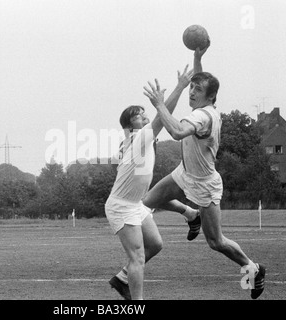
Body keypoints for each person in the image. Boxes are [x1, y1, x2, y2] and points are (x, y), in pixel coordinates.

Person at [142, 44, 266, 299]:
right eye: (191, 88)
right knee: (144, 205)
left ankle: (253, 269)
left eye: (197, 90)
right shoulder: (203, 108)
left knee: (216, 242)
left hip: (203, 184)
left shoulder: (204, 117)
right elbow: (203, 83)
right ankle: (190, 216)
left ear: (209, 98)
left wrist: (159, 105)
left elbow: (176, 132)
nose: (191, 92)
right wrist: (197, 58)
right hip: (184, 173)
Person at [105, 66, 199, 300]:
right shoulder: (136, 139)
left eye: (145, 113)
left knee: (155, 244)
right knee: (137, 257)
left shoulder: (140, 139)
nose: (145, 117)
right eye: (139, 115)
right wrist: (179, 87)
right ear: (130, 126)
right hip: (122, 206)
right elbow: (161, 118)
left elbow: (159, 120)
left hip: (135, 204)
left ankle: (122, 278)